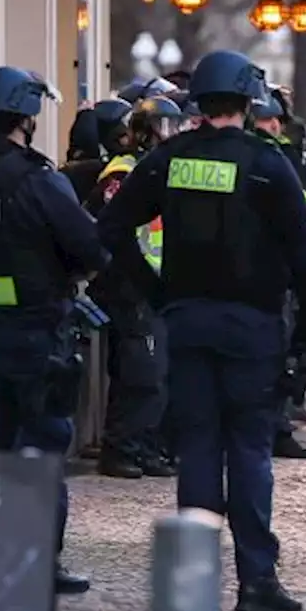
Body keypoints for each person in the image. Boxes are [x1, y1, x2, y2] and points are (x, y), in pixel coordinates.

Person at [97, 49, 306, 611]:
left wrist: (154, 290)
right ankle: (256, 581)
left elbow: (112, 228)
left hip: (186, 320)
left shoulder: (169, 159)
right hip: (253, 326)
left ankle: (195, 581)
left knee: (197, 445)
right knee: (248, 450)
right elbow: (304, 254)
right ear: (248, 103)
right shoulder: (269, 164)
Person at [0, 65, 104, 595]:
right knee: (39, 451)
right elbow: (90, 247)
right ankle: (38, 560)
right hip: (37, 336)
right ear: (24, 116)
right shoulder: (37, 179)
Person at [90, 152, 176, 480]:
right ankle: (123, 448)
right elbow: (115, 232)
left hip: (154, 290)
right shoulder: (125, 173)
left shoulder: (158, 169)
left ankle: (146, 446)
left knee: (156, 373)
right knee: (142, 373)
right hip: (132, 289)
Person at [250, 94, 306, 459]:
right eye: (266, 119)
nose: (275, 126)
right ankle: (275, 427)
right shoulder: (269, 159)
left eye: (277, 119)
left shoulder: (281, 155)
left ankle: (278, 424)